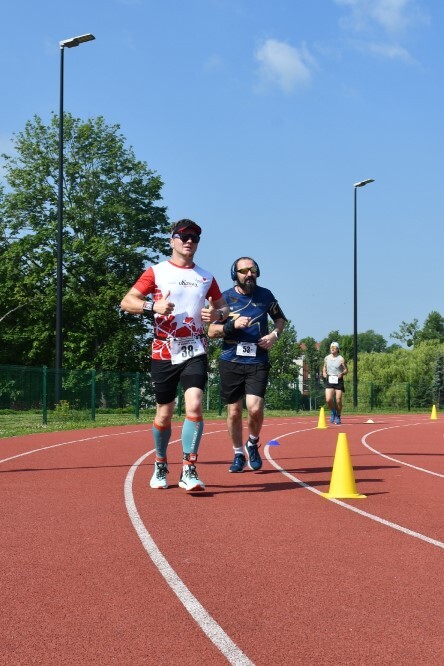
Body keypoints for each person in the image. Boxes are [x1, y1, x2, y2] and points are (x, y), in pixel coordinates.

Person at [120, 219, 228, 491]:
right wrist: (152, 306)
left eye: (195, 237)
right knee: (164, 414)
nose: (189, 241)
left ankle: (189, 469)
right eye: (184, 236)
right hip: (164, 350)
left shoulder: (206, 277)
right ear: (172, 241)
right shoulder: (156, 272)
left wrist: (217, 314)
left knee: (194, 405)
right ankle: (160, 463)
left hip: (195, 348)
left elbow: (224, 308)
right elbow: (127, 301)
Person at [208, 257, 287, 473]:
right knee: (234, 412)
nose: (249, 274)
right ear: (235, 275)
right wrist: (232, 325)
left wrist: (274, 335)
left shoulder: (266, 295)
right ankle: (238, 454)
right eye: (243, 271)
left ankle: (252, 443)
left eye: (252, 270)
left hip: (257, 360)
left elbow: (280, 319)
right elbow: (211, 331)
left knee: (255, 407)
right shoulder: (224, 298)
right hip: (231, 360)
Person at [322, 341, 348, 425]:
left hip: (338, 380)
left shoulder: (341, 359)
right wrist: (324, 373)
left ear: (337, 349)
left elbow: (346, 370)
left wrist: (342, 373)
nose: (332, 349)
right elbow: (324, 367)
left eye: (334, 348)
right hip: (330, 379)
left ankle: (338, 416)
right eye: (331, 347)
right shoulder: (326, 358)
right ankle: (333, 412)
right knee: (328, 399)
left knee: (338, 400)